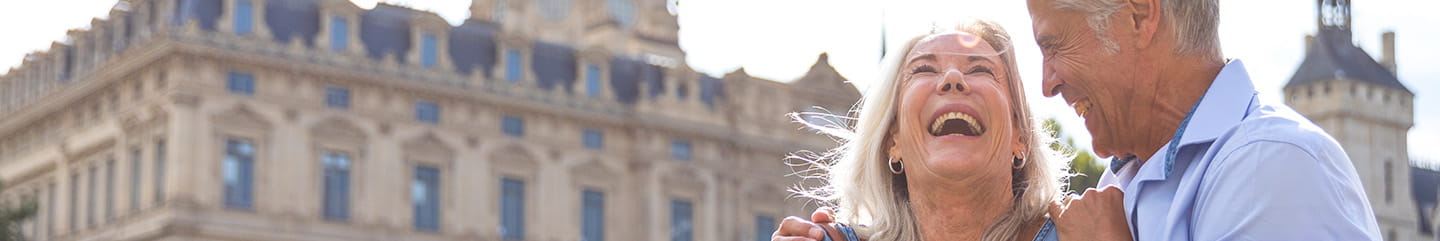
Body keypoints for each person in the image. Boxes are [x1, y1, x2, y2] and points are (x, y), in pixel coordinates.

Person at [1028, 0, 1381, 240]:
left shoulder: (1273, 165)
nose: (1047, 85)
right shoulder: (1119, 184)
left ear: (1139, 16)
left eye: (1054, 46)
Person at [772, 19, 1069, 241]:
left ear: (1020, 136)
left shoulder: (1085, 232)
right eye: (924, 69)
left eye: (980, 69)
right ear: (892, 141)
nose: (953, 78)